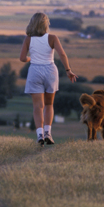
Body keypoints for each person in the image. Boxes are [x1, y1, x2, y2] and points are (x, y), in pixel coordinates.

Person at [19, 12, 77, 145]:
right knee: (49, 104)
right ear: (46, 24)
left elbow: (22, 58)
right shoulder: (52, 38)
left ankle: (39, 135)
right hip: (50, 71)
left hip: (35, 71)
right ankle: (48, 133)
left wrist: (30, 58)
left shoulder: (28, 39)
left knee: (38, 106)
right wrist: (68, 70)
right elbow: (62, 54)